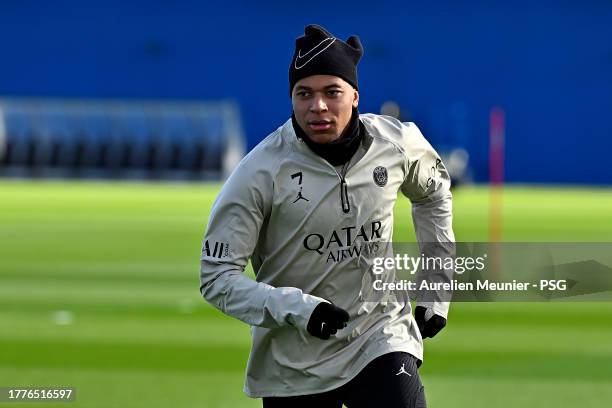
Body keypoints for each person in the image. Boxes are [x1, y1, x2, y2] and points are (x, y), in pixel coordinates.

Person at [199, 24, 455, 408]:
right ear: (291, 98)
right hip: (293, 364)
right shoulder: (259, 172)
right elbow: (216, 277)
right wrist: (300, 309)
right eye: (304, 94)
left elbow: (434, 195)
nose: (317, 106)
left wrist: (436, 286)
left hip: (380, 335)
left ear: (355, 95)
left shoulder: (397, 144)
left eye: (331, 92)